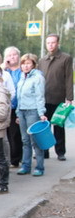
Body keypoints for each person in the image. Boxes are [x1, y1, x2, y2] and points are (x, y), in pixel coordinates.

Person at [37, 33, 74, 161]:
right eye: (48, 43)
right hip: (44, 98)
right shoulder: (42, 60)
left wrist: (69, 98)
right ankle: (44, 151)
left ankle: (60, 152)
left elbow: (69, 78)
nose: (50, 45)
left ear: (58, 43)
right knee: (44, 126)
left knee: (59, 126)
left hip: (58, 97)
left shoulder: (65, 58)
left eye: (53, 42)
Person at [16, 53, 47, 177]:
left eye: (28, 63)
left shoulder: (37, 77)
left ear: (34, 65)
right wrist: (18, 113)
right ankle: (26, 165)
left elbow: (40, 96)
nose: (25, 66)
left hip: (33, 111)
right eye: (23, 63)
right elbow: (19, 97)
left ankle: (39, 167)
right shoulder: (22, 77)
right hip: (22, 111)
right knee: (25, 141)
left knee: (35, 140)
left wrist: (41, 113)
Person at [3, 46, 23, 167]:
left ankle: (15, 158)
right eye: (9, 55)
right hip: (5, 106)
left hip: (18, 106)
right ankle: (9, 156)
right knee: (6, 133)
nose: (12, 57)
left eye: (14, 55)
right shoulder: (4, 71)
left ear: (19, 56)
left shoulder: (22, 70)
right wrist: (3, 65)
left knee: (15, 134)